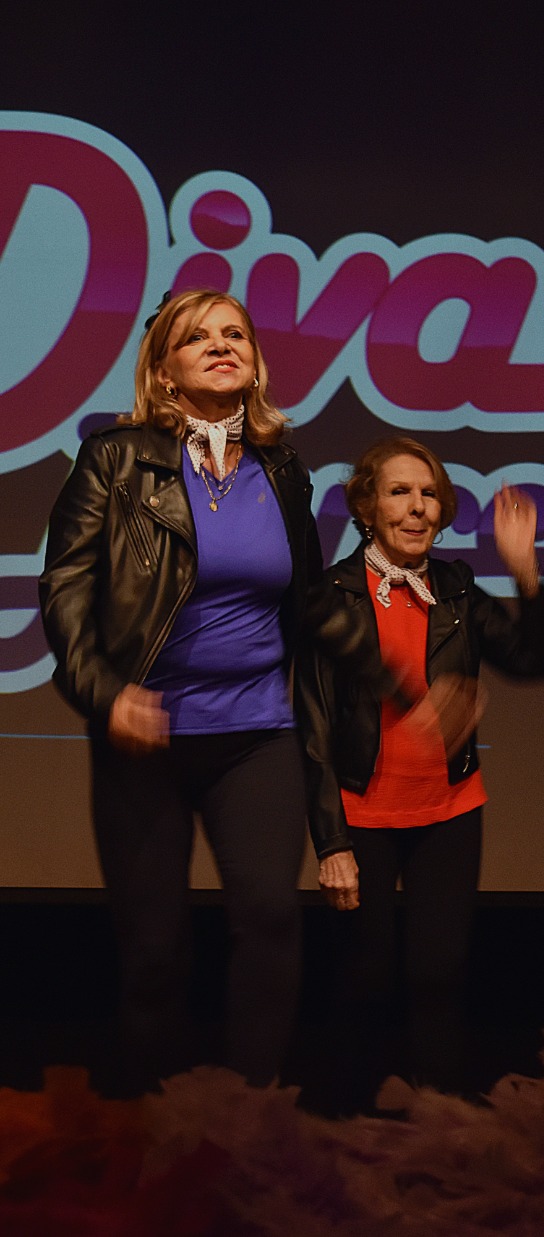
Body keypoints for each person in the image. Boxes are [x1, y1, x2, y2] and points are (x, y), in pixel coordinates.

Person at [39, 289, 321, 1093]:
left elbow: (312, 604)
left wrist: (398, 675)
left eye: (236, 333)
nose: (222, 345)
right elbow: (64, 590)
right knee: (155, 952)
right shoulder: (115, 458)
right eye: (197, 337)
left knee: (271, 917)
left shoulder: (282, 468)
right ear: (163, 370)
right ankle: (158, 1127)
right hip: (146, 739)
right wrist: (105, 693)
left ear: (255, 362)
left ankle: (252, 1115)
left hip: (257, 732)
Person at [296, 436, 544, 1102]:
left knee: (440, 977)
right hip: (362, 817)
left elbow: (534, 662)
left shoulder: (458, 589)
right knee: (365, 980)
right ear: (366, 507)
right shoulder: (331, 595)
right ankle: (348, 1127)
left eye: (429, 494)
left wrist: (527, 576)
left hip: (449, 811)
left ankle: (440, 1130)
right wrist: (331, 843)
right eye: (399, 492)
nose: (417, 507)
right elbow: (314, 727)